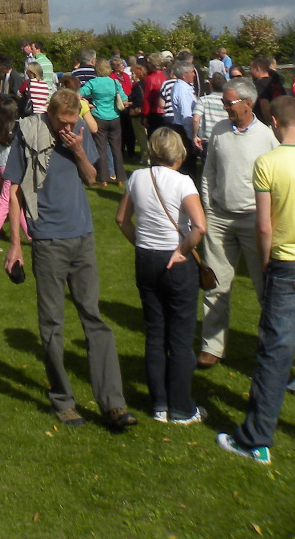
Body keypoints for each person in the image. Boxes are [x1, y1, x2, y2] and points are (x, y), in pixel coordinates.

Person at [4, 87, 137, 431]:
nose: (67, 127)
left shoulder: (79, 132)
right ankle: (63, 400)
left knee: (95, 318)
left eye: (72, 120)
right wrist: (16, 244)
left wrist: (79, 150)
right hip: (47, 241)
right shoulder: (28, 134)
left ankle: (113, 403)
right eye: (62, 121)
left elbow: (94, 178)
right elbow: (14, 190)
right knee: (52, 326)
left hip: (83, 236)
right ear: (49, 114)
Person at [217, 96, 295, 463]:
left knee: (274, 352)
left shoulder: (267, 162)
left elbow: (264, 225)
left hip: (287, 265)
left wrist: (266, 261)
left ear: (273, 121)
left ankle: (255, 439)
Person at [115, 126, 207, 422]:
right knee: (180, 336)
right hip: (175, 263)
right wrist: (182, 250)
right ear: (177, 153)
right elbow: (199, 227)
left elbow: (122, 219)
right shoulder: (183, 182)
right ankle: (181, 407)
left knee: (155, 331)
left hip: (146, 259)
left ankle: (159, 404)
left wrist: (140, 242)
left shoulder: (137, 177)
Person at [198, 76, 278, 368]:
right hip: (219, 218)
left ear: (248, 103)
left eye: (228, 102)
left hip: (255, 221)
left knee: (264, 288)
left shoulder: (267, 137)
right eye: (223, 102)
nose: (223, 107)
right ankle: (211, 347)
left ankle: (270, 348)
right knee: (215, 285)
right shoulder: (219, 130)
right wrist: (208, 208)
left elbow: (276, 182)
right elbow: (208, 172)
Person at [0, 98, 30, 253]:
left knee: (15, 202)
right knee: (4, 204)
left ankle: (31, 236)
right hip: (11, 170)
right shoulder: (17, 128)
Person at [82, 59, 126, 187]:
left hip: (99, 117)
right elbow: (124, 98)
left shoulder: (93, 83)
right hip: (114, 117)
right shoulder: (114, 82)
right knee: (116, 148)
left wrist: (88, 104)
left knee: (101, 148)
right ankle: (120, 178)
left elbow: (79, 94)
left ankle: (104, 179)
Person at [167, 63, 197, 171]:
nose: (194, 74)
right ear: (184, 75)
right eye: (192, 72)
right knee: (188, 165)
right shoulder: (182, 90)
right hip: (184, 130)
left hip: (183, 128)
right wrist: (192, 137)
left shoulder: (184, 87)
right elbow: (186, 115)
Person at [192, 71, 228, 163]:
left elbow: (196, 119)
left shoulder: (203, 100)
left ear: (211, 85)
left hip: (208, 139)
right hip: (225, 137)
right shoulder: (228, 101)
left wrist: (195, 135)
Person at [249, 56, 286, 126]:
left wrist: (269, 122)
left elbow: (264, 104)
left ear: (257, 68)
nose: (250, 72)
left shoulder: (259, 85)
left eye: (251, 69)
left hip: (267, 123)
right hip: (281, 120)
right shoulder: (277, 83)